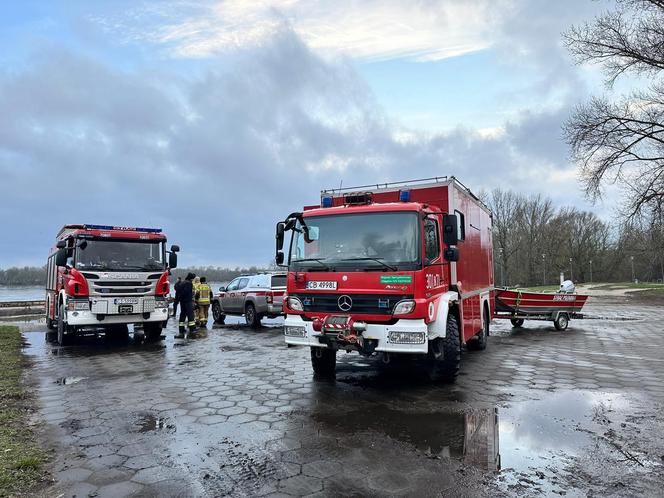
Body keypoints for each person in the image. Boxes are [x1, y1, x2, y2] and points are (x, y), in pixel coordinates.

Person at [177, 273, 197, 338]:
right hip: (188, 301)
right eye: (192, 278)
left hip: (182, 301)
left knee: (182, 314)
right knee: (190, 315)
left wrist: (179, 298)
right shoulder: (189, 283)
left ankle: (181, 329)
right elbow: (186, 292)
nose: (193, 280)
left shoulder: (182, 283)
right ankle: (192, 329)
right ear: (191, 278)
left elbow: (177, 290)